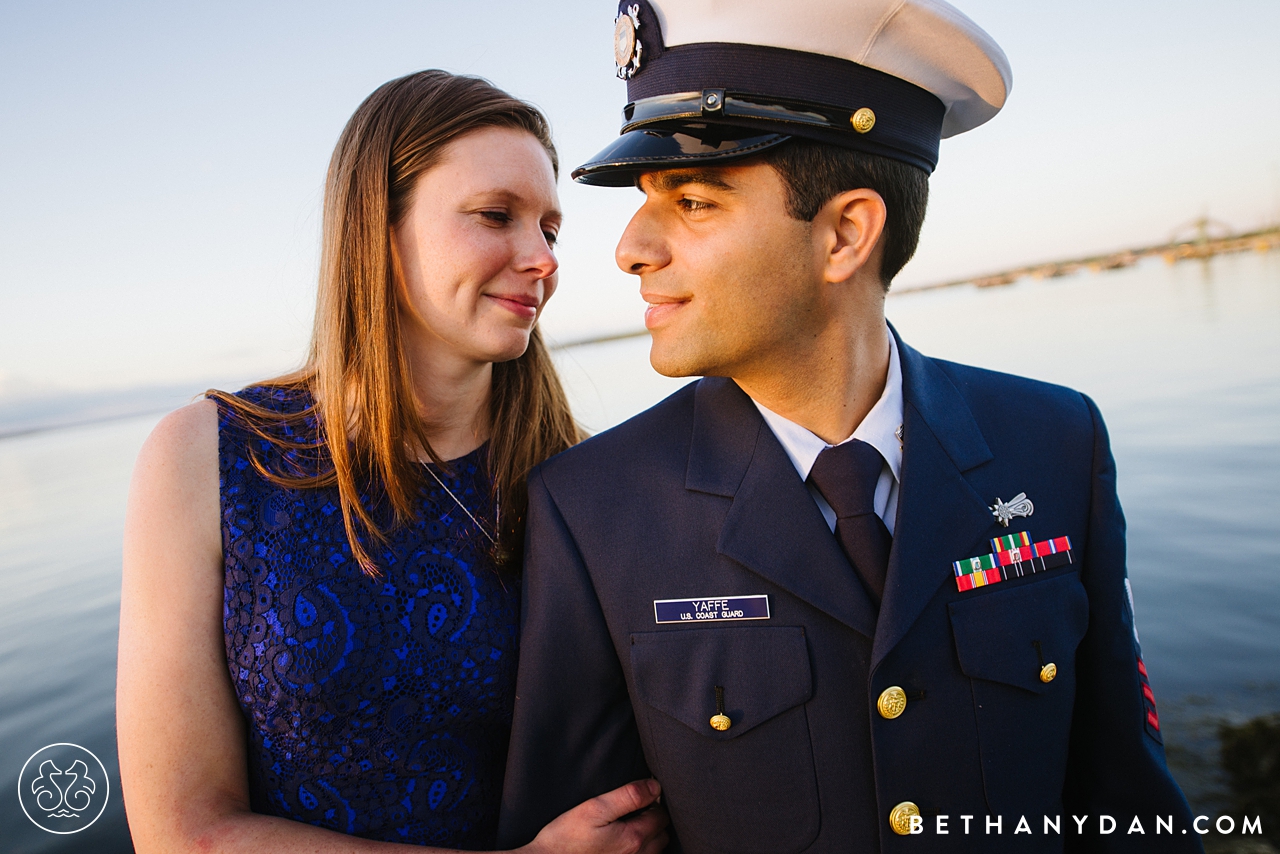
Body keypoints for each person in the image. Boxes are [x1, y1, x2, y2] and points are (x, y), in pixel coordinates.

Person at [498, 1, 1200, 851]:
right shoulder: (592, 509)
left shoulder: (1056, 442)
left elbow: (1127, 798)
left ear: (845, 234)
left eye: (691, 200)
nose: (630, 248)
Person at [117, 70, 668, 853]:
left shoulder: (576, 479)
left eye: (549, 229)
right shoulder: (206, 459)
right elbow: (182, 834)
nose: (541, 258)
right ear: (376, 224)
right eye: (494, 216)